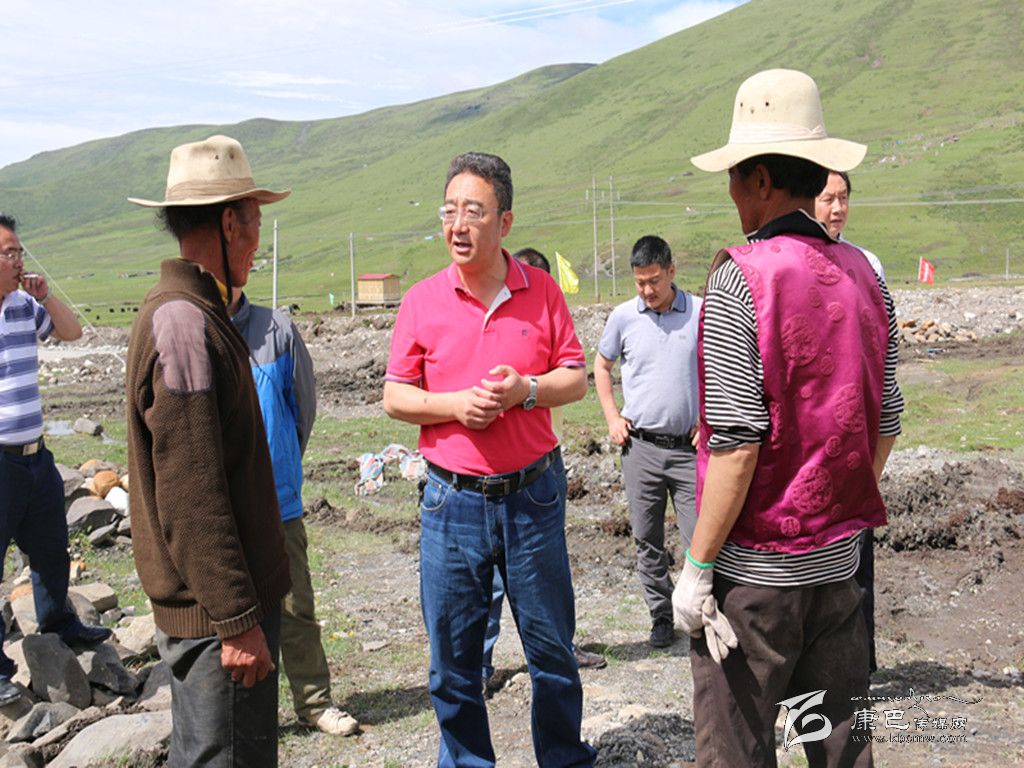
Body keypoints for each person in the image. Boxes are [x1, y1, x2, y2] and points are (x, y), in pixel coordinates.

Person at [674, 69, 904, 766]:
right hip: (839, 571)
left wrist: (698, 567)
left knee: (738, 748)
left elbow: (737, 443)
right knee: (839, 746)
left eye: (735, 178)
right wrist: (836, 505)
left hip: (757, 581)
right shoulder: (867, 275)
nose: (732, 193)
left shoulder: (742, 276)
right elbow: (887, 418)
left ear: (763, 179)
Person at [383, 152, 596, 767]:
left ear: (504, 222)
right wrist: (456, 406)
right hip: (451, 502)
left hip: (533, 497)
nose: (458, 224)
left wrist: (526, 391)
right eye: (449, 210)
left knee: (551, 650)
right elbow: (396, 396)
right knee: (453, 661)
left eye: (473, 211)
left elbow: (575, 379)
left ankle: (564, 758)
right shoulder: (422, 300)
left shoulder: (542, 291)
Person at [126, 135, 292, 767]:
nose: (257, 243)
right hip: (220, 623)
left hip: (221, 615)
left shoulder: (197, 310)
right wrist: (238, 619)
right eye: (254, 226)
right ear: (228, 224)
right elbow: (191, 495)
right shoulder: (184, 325)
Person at [229, 288, 360, 736]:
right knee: (223, 612)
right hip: (220, 508)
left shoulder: (277, 329)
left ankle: (314, 702)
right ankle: (236, 713)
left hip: (277, 502)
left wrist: (282, 463)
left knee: (295, 603)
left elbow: (303, 407)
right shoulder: (195, 327)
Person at [481, 246, 606, 684]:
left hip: (543, 464)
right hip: (490, 472)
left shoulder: (546, 324)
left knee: (549, 567)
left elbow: (575, 380)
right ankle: (480, 666)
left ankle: (560, 651)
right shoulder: (496, 326)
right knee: (490, 576)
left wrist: (530, 389)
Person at [0, 213, 110, 707]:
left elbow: (71, 332)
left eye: (19, 252)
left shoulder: (25, 305)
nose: (18, 261)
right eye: (9, 253)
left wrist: (45, 296)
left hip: (34, 456)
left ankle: (59, 624)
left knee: (50, 548)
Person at [595, 235, 701, 649]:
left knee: (700, 537)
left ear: (671, 271)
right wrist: (612, 417)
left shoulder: (699, 312)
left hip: (690, 450)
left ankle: (699, 612)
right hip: (639, 448)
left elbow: (719, 369)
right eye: (640, 282)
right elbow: (601, 367)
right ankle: (661, 615)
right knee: (647, 538)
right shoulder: (623, 317)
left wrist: (708, 422)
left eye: (654, 280)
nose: (647, 290)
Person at [815, 169, 886, 675]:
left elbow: (880, 350)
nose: (837, 208)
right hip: (810, 434)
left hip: (854, 432)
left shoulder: (866, 265)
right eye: (827, 198)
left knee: (856, 556)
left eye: (843, 198)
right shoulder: (789, 258)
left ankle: (860, 666)